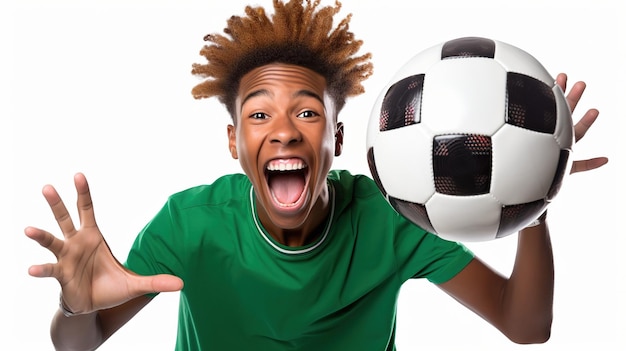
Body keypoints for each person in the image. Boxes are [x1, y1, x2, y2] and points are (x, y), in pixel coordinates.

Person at [25, 0, 608, 350]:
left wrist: (537, 191)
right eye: (258, 114)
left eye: (307, 112)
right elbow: (77, 344)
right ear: (234, 141)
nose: (284, 130)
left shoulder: (392, 216)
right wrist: (75, 309)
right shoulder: (189, 225)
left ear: (337, 139)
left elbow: (526, 326)